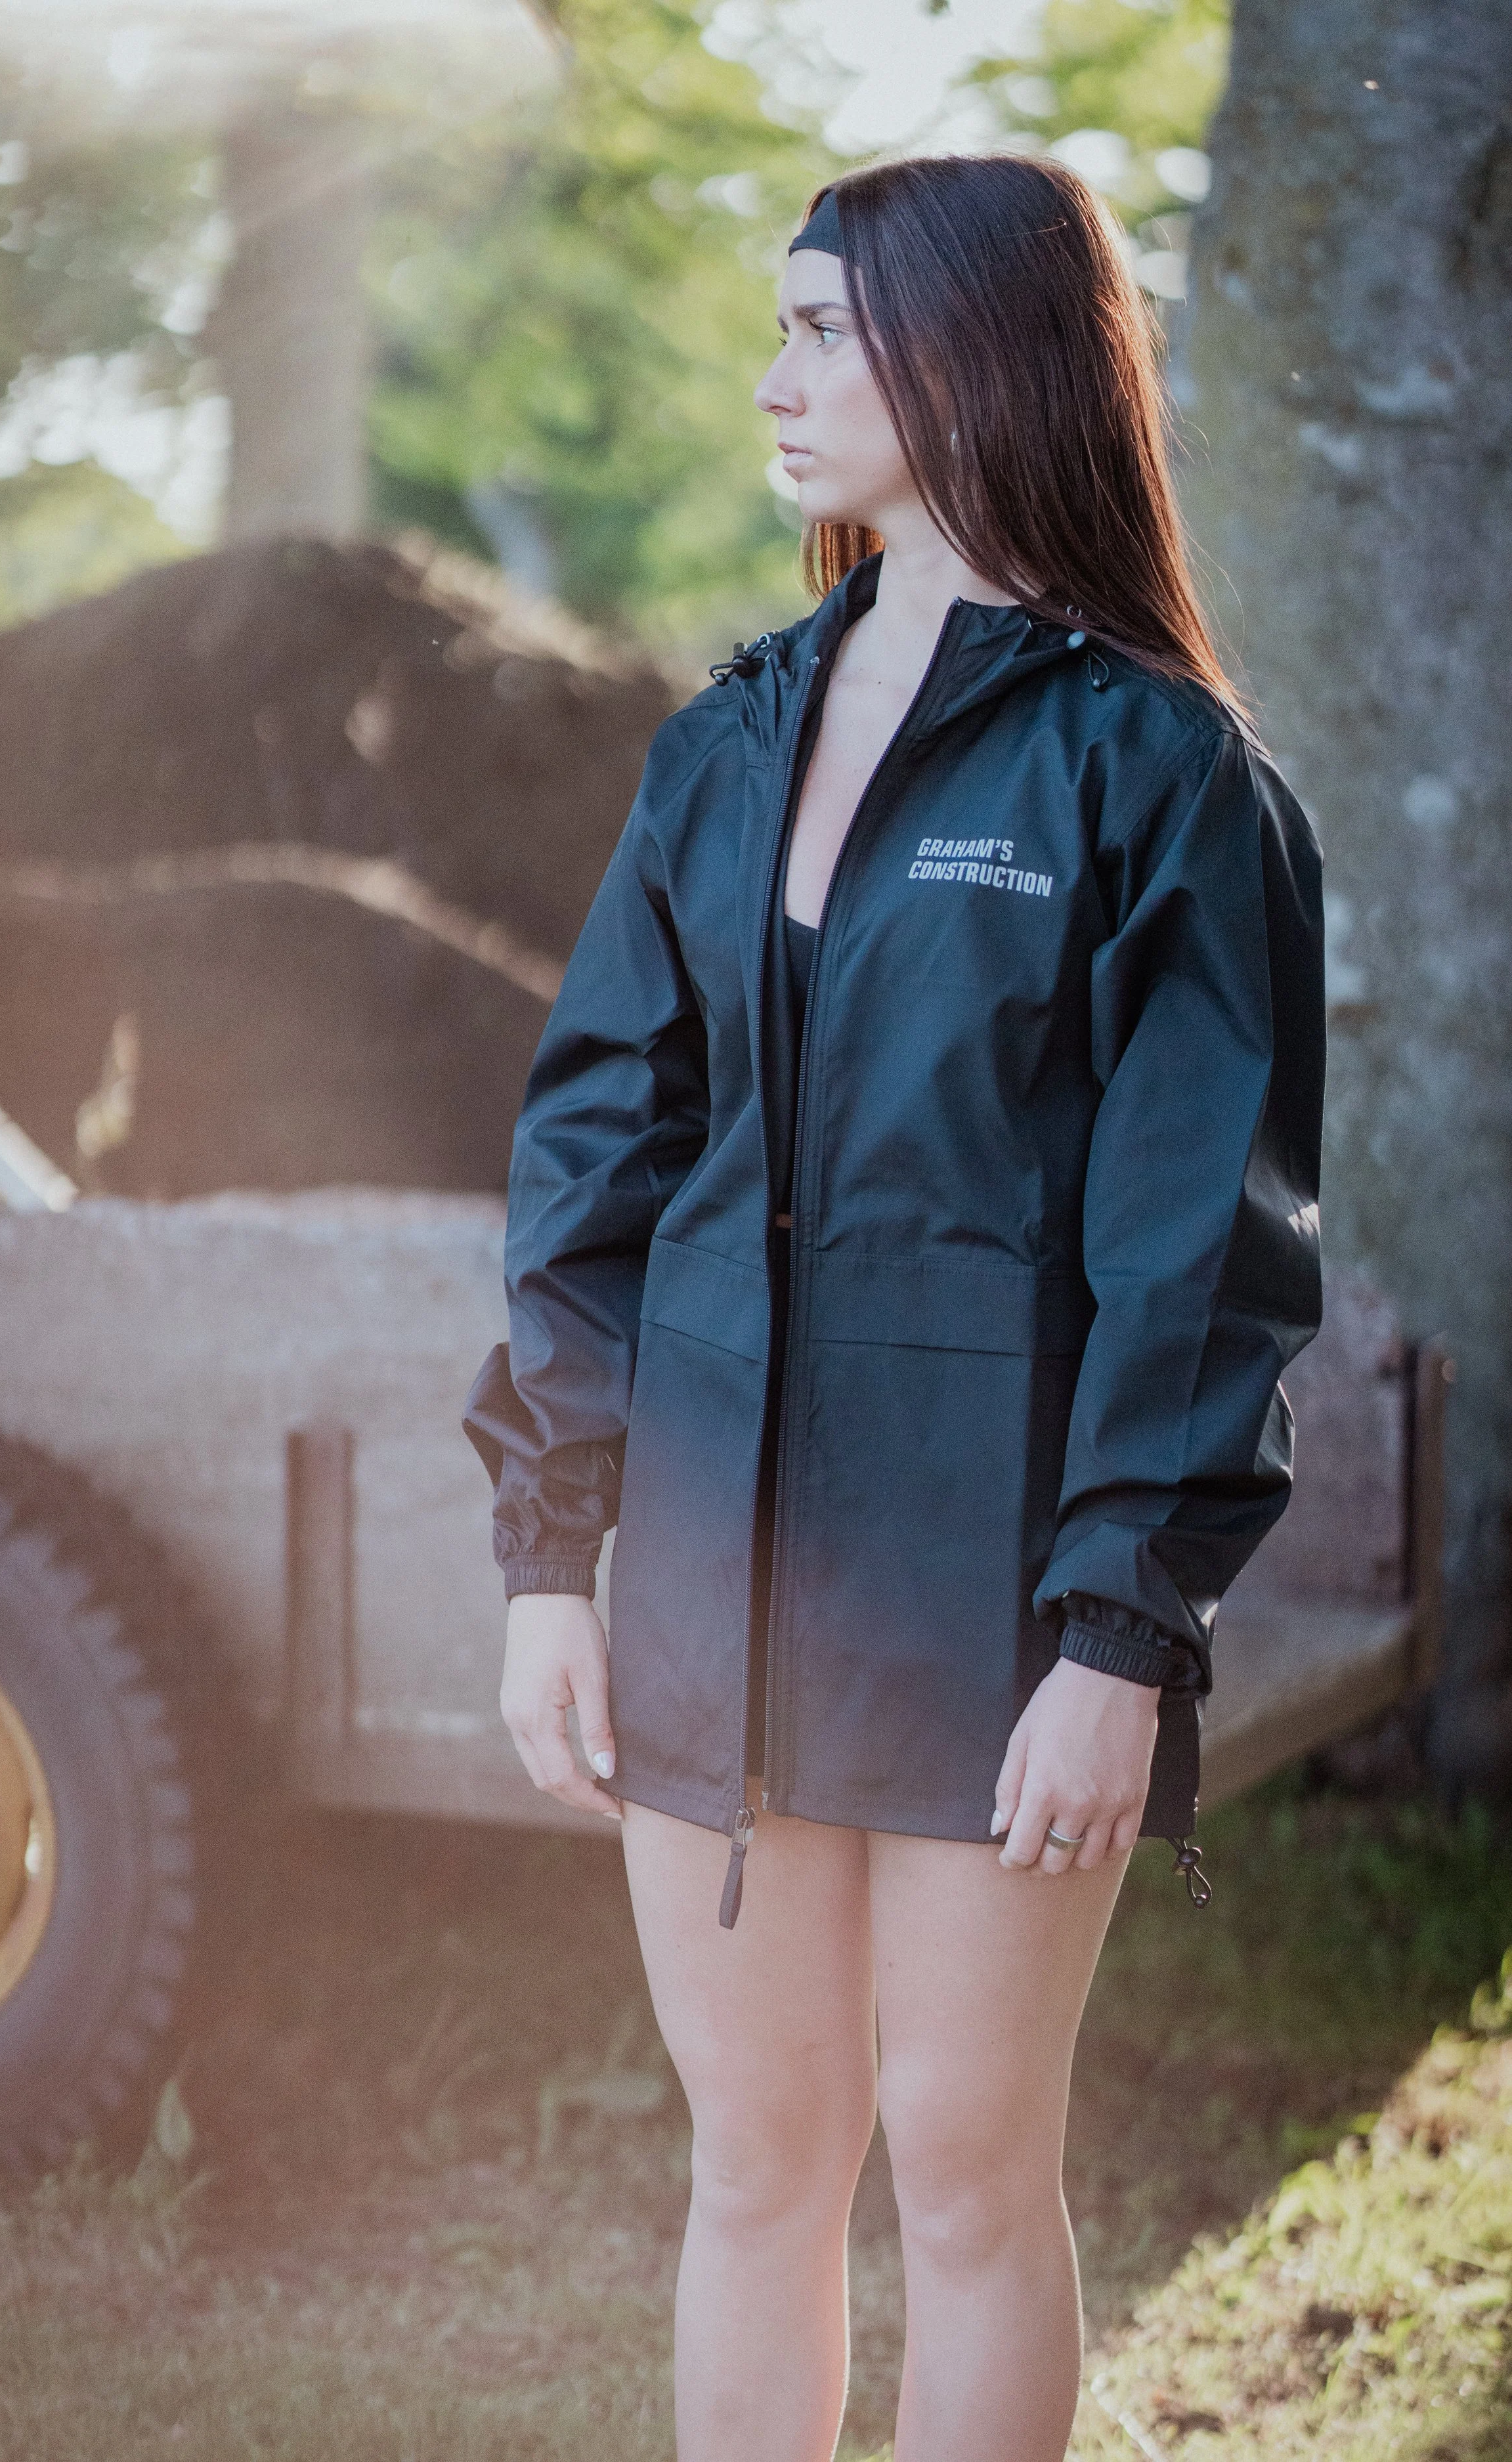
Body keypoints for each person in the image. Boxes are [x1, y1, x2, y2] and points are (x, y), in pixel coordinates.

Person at [465, 153, 1324, 2462]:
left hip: (999, 1597)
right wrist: (552, 1554)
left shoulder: (1160, 772)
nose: (774, 378)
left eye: (823, 329)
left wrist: (1117, 1636)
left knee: (963, 2176)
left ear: (980, 349)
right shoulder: (727, 738)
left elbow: (1202, 1249)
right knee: (752, 2160)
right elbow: (593, 1161)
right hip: (708, 1568)